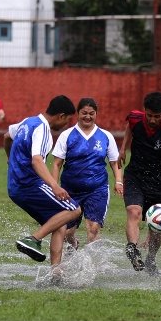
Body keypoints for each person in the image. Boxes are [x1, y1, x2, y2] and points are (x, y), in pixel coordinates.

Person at [5, 95, 82, 278]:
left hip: (14, 186)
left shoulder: (27, 122)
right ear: (61, 116)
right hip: (29, 185)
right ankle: (33, 239)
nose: (65, 126)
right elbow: (37, 160)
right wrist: (55, 186)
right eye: (67, 121)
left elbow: (7, 136)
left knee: (59, 220)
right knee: (74, 209)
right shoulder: (43, 129)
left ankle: (56, 272)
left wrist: (10, 160)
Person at [119, 92, 161, 275]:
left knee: (156, 225)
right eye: (149, 115)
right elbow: (129, 127)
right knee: (134, 211)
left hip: (159, 181)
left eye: (157, 116)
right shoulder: (135, 118)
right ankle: (132, 248)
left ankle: (150, 260)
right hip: (135, 175)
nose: (152, 119)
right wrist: (123, 148)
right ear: (145, 111)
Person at [51, 98, 123, 248]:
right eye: (84, 113)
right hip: (70, 191)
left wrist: (118, 181)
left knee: (93, 228)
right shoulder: (67, 135)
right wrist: (53, 186)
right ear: (78, 113)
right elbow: (57, 163)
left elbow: (114, 162)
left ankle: (92, 266)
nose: (88, 117)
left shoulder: (105, 136)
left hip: (97, 189)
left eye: (91, 113)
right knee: (67, 232)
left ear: (96, 114)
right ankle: (74, 244)